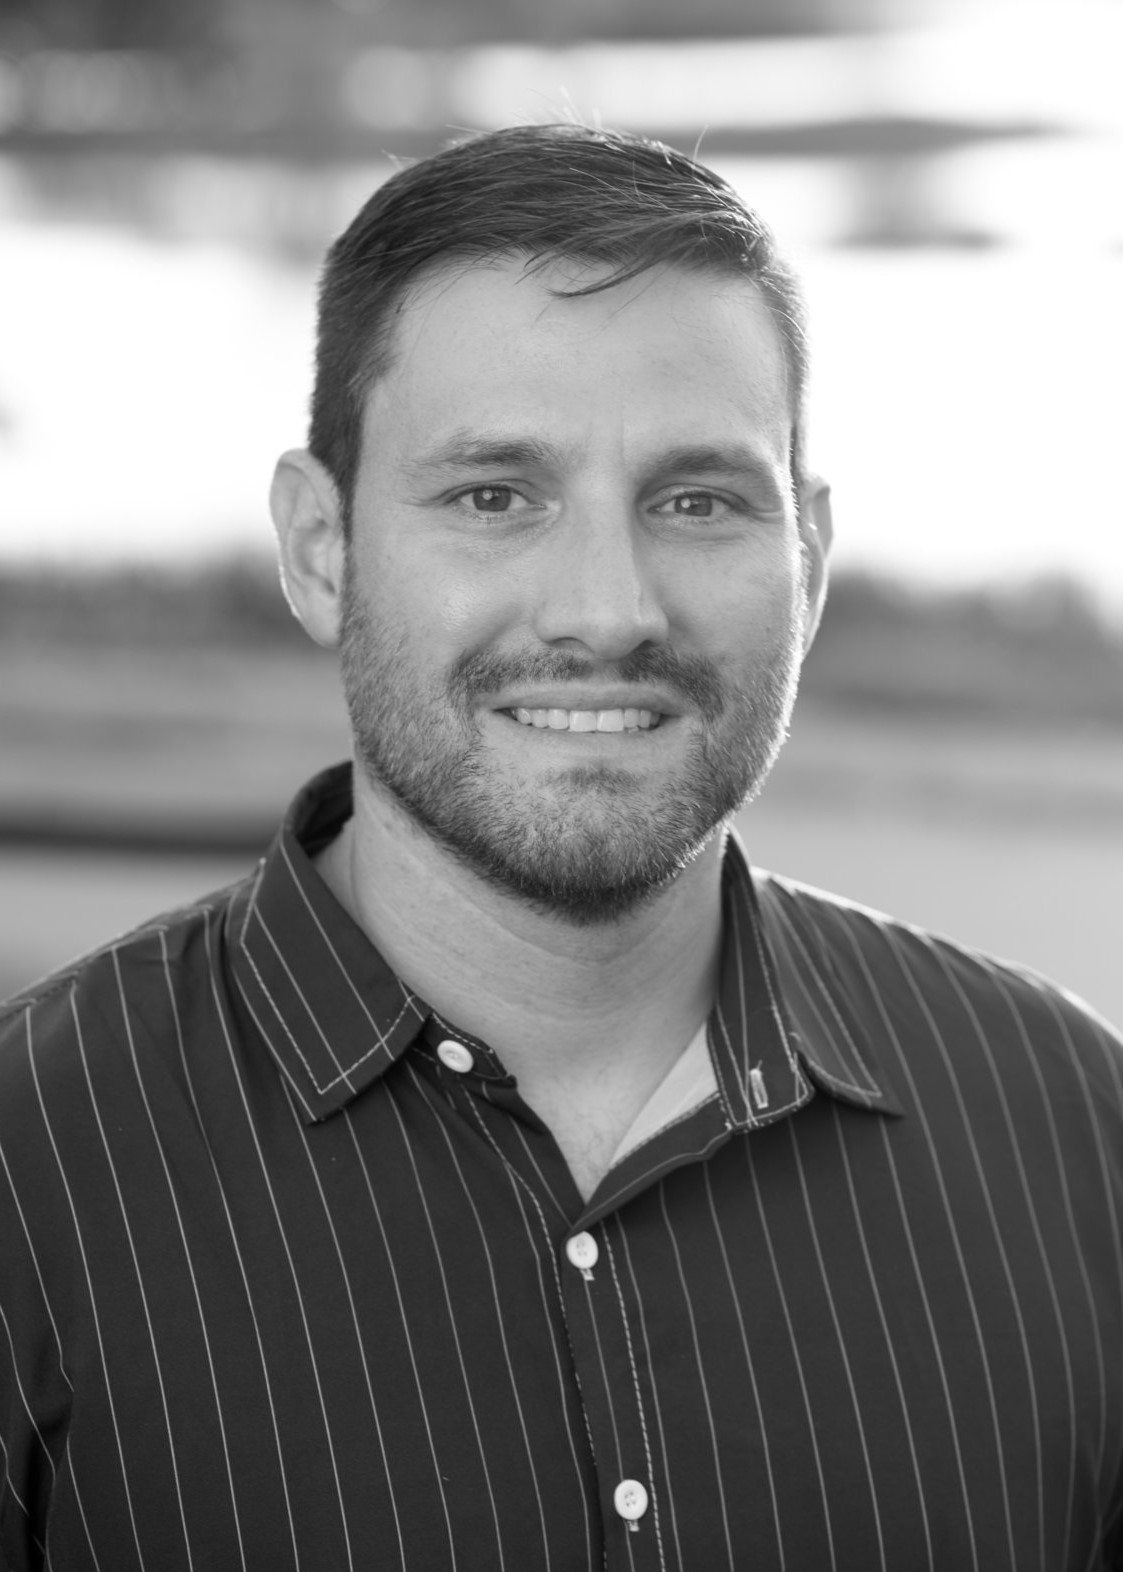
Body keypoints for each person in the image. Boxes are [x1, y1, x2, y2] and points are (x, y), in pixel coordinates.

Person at [1, 123, 1121, 1572]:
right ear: (320, 547)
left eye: (699, 500)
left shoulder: (1079, 1139)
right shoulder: (29, 1172)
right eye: (493, 495)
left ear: (812, 564)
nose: (607, 605)